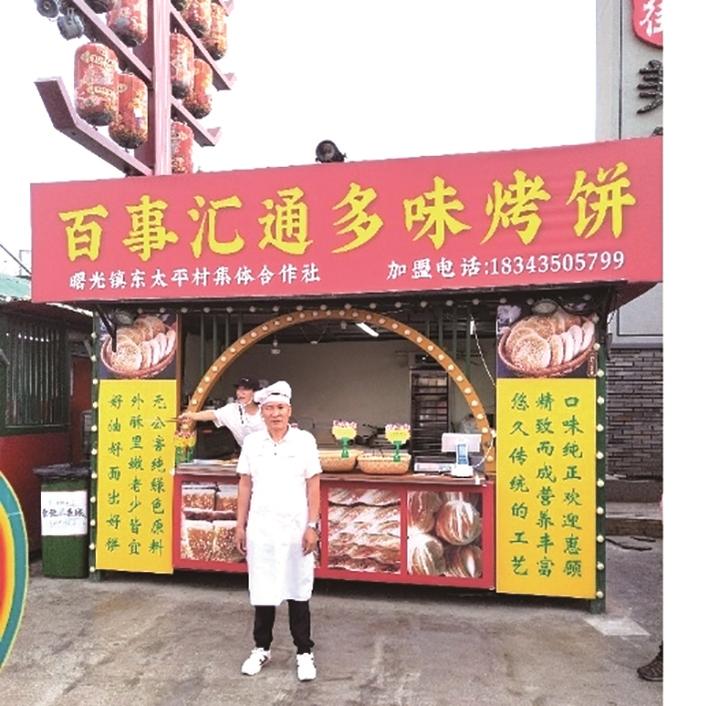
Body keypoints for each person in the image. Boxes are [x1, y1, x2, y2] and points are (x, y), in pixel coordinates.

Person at [236, 380, 322, 682]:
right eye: (270, 408)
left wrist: (312, 526)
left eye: (281, 408)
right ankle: (261, 648)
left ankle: (304, 651)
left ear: (290, 411)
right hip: (261, 529)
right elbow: (245, 485)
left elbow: (314, 485)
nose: (275, 413)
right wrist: (240, 525)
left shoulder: (304, 441)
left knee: (298, 589)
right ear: (262, 412)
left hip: (295, 528)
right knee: (263, 589)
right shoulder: (252, 443)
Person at [179, 377, 266, 450]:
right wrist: (191, 415)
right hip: (248, 455)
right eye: (239, 389)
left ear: (256, 392)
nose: (240, 393)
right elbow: (212, 414)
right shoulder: (232, 410)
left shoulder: (267, 410)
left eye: (246, 389)